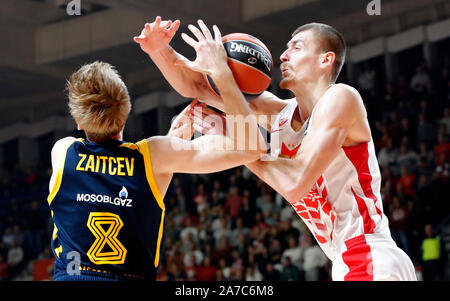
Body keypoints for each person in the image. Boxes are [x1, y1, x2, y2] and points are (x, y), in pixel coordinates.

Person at [140, 16, 417, 281]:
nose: (283, 55)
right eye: (286, 48)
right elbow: (199, 85)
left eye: (296, 47)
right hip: (348, 259)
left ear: (325, 60)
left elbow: (295, 182)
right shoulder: (280, 114)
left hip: (368, 253)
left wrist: (240, 146)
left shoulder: (341, 97)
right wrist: (160, 50)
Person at [48, 21, 267, 281]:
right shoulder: (156, 155)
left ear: (78, 122)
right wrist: (221, 74)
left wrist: (169, 142)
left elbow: (108, 170)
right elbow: (252, 147)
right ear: (127, 109)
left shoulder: (63, 152)